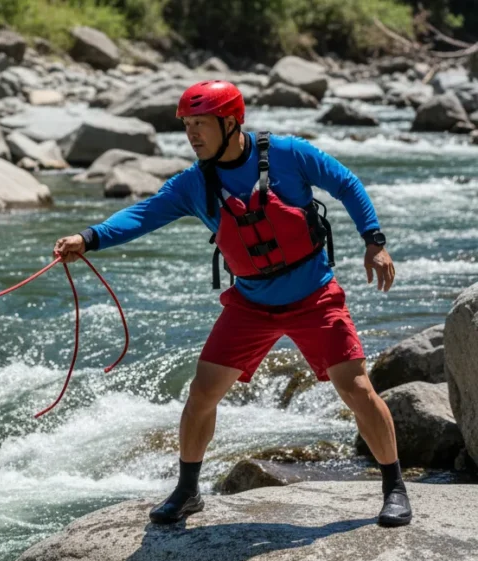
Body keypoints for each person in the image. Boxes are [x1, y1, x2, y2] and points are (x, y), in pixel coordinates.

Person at [52, 80, 412, 528]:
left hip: (313, 295)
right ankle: (187, 491)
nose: (192, 135)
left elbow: (346, 183)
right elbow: (143, 214)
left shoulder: (288, 153)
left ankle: (394, 487)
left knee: (356, 387)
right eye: (186, 125)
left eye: (200, 124)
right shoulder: (193, 183)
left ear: (230, 122)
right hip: (250, 304)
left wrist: (373, 240)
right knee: (202, 392)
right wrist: (88, 238)